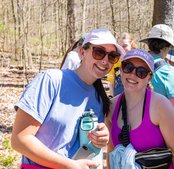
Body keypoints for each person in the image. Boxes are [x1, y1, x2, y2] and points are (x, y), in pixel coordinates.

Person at [11, 28, 125, 169]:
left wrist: (101, 138)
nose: (105, 61)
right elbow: (19, 139)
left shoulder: (99, 98)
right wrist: (68, 165)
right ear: (82, 52)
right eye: (99, 52)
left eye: (112, 56)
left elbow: (83, 146)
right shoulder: (52, 80)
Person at [105, 49, 174, 169]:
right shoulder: (111, 107)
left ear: (149, 78)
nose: (133, 74)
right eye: (128, 67)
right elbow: (111, 153)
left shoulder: (160, 106)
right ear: (121, 71)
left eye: (141, 72)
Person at [140, 24, 174, 117]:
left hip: (133, 126)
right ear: (167, 47)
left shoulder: (135, 65)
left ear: (149, 43)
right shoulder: (171, 73)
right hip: (157, 128)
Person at [107, 32, 137, 97]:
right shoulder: (114, 62)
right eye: (119, 46)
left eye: (125, 46)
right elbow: (111, 84)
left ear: (131, 45)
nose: (122, 49)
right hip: (118, 99)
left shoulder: (137, 62)